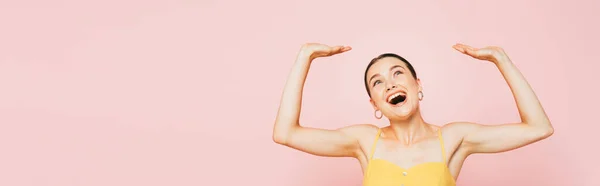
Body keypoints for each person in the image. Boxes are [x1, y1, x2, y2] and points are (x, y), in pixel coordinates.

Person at [272, 42, 554, 186]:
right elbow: (285, 134)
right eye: (378, 81)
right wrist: (303, 58)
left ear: (417, 85)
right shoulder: (364, 140)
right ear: (375, 104)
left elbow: (538, 127)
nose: (390, 83)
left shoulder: (454, 138)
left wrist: (501, 60)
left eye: (397, 73)